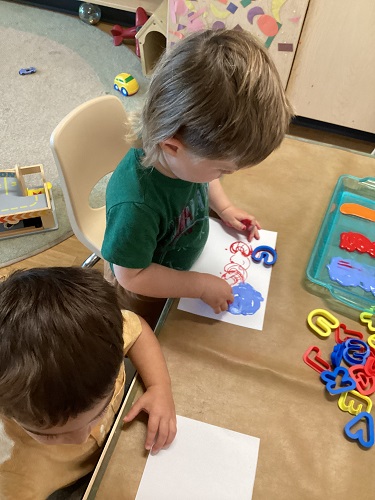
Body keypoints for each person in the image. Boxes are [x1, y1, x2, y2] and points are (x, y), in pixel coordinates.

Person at [102, 29, 293, 328]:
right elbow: (132, 276)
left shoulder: (181, 160)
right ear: (171, 145)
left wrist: (225, 208)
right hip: (148, 292)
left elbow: (202, 178)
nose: (222, 176)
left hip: (182, 267)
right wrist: (199, 286)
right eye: (222, 169)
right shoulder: (136, 207)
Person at [0, 267, 176, 499]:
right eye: (51, 435)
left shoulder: (96, 341)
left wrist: (159, 387)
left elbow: (137, 329)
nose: (82, 437)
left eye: (98, 413)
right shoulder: (15, 480)